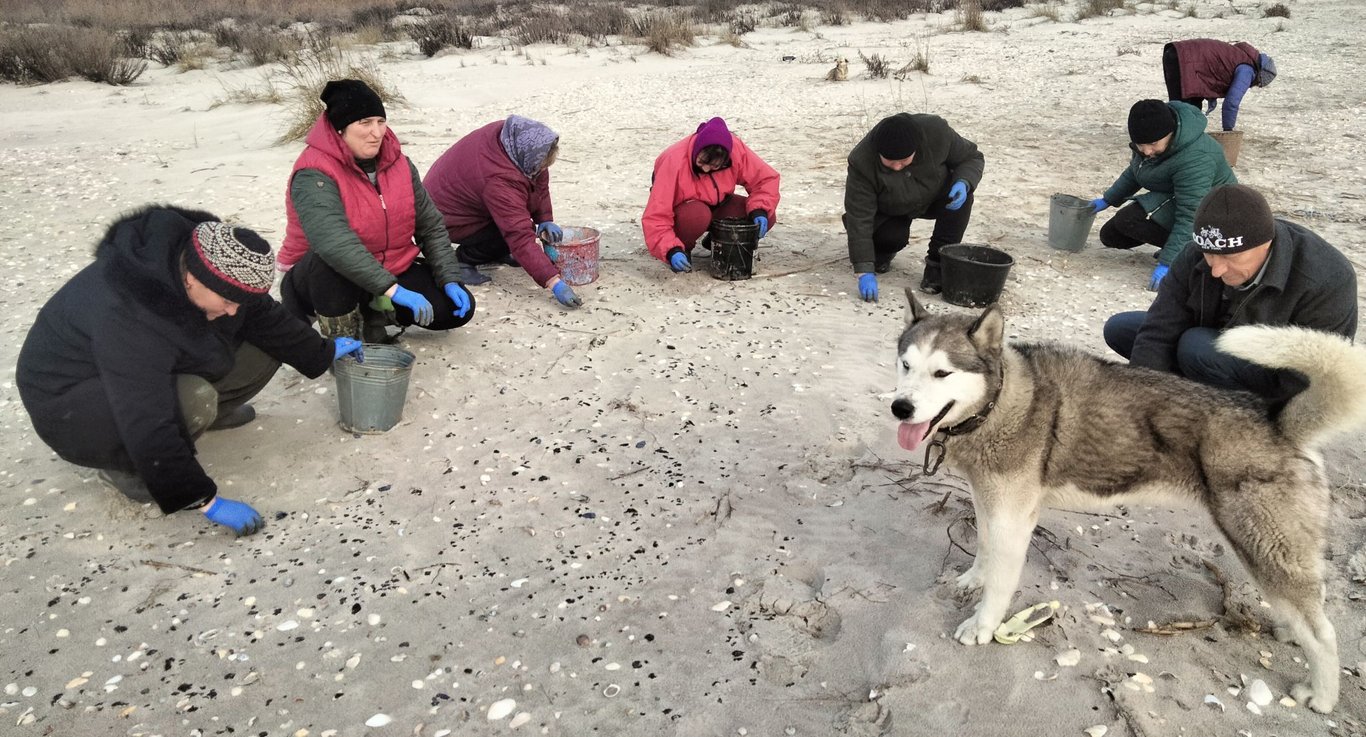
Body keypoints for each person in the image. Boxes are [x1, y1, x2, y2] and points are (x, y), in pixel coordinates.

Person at [16, 206, 365, 536]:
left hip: (133, 372)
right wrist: (203, 499)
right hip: (71, 406)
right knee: (193, 400)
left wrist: (325, 350)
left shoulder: (218, 266)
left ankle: (204, 417)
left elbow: (263, 316)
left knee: (266, 344)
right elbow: (144, 412)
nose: (232, 311)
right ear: (191, 279)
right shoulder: (128, 310)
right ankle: (127, 469)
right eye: (226, 301)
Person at [1103, 184, 1357, 403]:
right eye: (1209, 254)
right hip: (1213, 344)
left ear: (1265, 242)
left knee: (1196, 347)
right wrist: (1139, 399)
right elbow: (1160, 327)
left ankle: (1222, 410)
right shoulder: (1194, 254)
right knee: (1122, 329)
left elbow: (1317, 374)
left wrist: (1270, 425)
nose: (1216, 269)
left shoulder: (1327, 278)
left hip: (1276, 376)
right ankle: (1186, 397)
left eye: (1229, 257)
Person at [278, 79, 475, 341]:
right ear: (340, 130)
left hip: (389, 267)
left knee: (456, 310)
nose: (377, 132)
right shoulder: (314, 173)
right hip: (324, 274)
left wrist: (449, 277)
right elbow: (333, 242)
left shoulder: (400, 164)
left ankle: (373, 312)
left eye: (380, 122)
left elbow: (430, 225)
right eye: (365, 123)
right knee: (330, 266)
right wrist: (394, 290)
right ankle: (345, 340)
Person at [423, 116, 578, 307]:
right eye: (540, 166)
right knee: (510, 233)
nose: (541, 170)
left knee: (514, 226)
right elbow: (518, 234)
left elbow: (538, 179)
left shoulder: (512, 138)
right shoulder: (498, 179)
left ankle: (497, 252)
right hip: (443, 217)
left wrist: (545, 218)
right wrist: (554, 282)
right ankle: (463, 261)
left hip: (467, 197)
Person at [1090, 99, 1236, 291]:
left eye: (1152, 144)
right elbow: (1135, 171)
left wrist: (1169, 261)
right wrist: (1107, 199)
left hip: (1214, 214)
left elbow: (1191, 213)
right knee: (1112, 235)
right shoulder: (1148, 146)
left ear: (1171, 133)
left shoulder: (1196, 158)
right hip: (1176, 197)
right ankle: (1180, 246)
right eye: (1140, 145)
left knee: (1130, 219)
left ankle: (1196, 251)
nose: (1147, 151)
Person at [844, 113, 984, 301]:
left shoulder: (937, 133)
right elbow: (859, 217)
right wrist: (863, 270)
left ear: (916, 150)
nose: (896, 167)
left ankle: (937, 265)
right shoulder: (861, 161)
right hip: (890, 208)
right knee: (889, 238)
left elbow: (971, 157)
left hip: (935, 196)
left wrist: (964, 181)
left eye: (903, 160)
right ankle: (882, 253)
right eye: (890, 161)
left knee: (964, 197)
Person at [642, 117, 780, 275]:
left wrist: (760, 210)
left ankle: (719, 240)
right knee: (697, 214)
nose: (706, 170)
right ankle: (683, 248)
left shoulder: (736, 150)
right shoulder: (673, 160)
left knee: (767, 215)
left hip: (720, 205)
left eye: (715, 166)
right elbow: (656, 215)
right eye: (702, 163)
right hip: (687, 213)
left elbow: (765, 180)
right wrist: (670, 250)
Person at [1163, 39, 1277, 132]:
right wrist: (1228, 129)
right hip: (1183, 59)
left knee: (1186, 109)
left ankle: (1175, 139)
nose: (1253, 85)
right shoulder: (1247, 69)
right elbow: (1232, 102)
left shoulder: (1238, 56)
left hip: (1177, 53)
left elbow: (1213, 72)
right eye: (1258, 83)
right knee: (1184, 111)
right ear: (1259, 74)